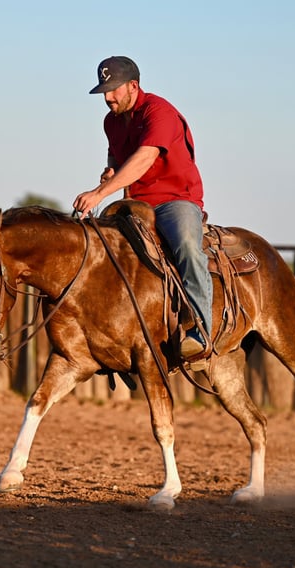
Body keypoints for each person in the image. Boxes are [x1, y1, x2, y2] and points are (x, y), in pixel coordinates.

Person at [73, 56, 213, 361]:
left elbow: (145, 158)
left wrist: (99, 193)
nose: (107, 98)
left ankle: (201, 332)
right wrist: (111, 171)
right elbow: (118, 156)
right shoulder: (111, 121)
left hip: (175, 199)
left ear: (133, 86)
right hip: (135, 203)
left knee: (188, 246)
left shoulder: (159, 112)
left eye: (113, 90)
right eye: (104, 92)